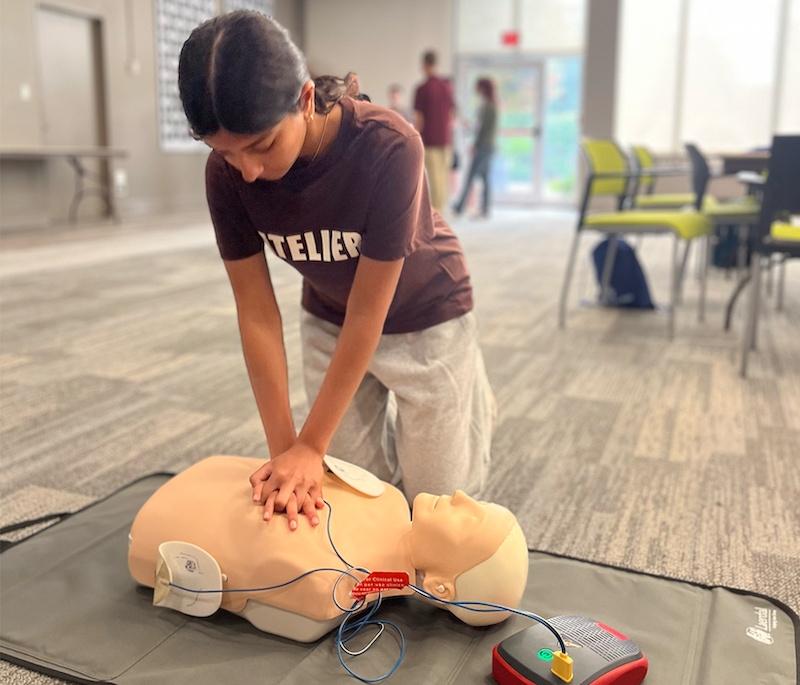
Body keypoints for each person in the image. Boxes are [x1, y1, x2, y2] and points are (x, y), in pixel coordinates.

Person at [178, 12, 494, 533]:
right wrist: (290, 452)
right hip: (329, 317)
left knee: (437, 511)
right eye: (225, 153)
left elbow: (371, 309)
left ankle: (470, 402)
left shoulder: (389, 146)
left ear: (304, 100)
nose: (248, 171)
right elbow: (256, 313)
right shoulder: (227, 175)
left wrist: (312, 443)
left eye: (260, 146)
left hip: (425, 315)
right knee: (354, 503)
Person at [128, 456, 529, 642]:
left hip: (163, 526)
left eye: (470, 519)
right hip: (203, 489)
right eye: (480, 503)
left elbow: (291, 620)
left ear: (441, 588)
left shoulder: (333, 587)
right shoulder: (388, 497)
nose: (462, 496)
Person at [413, 50, 454, 213]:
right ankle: (441, 211)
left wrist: (415, 137)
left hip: (430, 140)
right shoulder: (447, 87)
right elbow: (451, 113)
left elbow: (419, 118)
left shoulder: (422, 89)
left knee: (435, 179)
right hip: (445, 139)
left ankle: (437, 215)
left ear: (424, 65)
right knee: (443, 179)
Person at [453, 78, 497, 219]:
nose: (475, 90)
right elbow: (480, 126)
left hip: (484, 146)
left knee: (471, 176)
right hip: (487, 146)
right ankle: (485, 209)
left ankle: (459, 208)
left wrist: (476, 145)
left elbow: (483, 129)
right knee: (484, 178)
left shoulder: (487, 106)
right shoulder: (489, 105)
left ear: (482, 88)